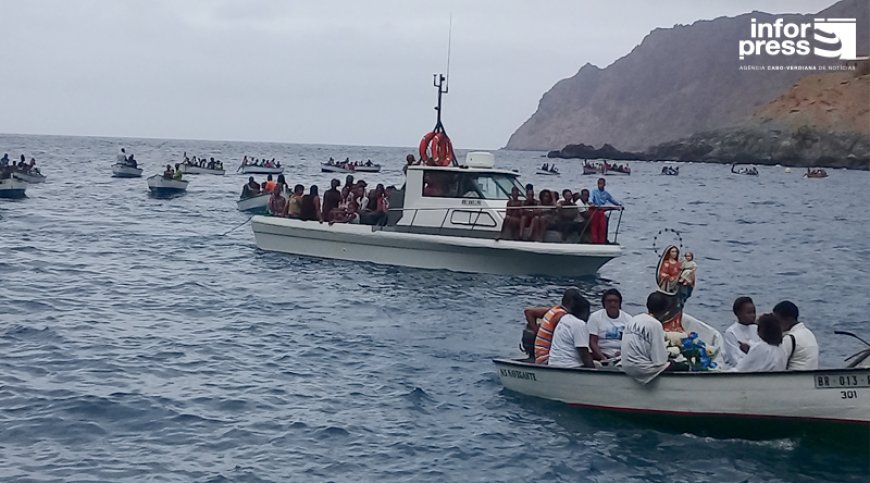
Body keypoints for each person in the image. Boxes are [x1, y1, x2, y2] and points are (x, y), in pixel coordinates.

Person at [621, 291, 686, 384]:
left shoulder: (633, 319)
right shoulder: (655, 325)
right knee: (682, 366)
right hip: (641, 369)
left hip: (626, 365)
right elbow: (659, 361)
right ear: (664, 311)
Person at [525, 288, 585, 365]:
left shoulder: (554, 310)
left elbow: (528, 312)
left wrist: (537, 332)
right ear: (572, 302)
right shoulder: (562, 317)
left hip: (540, 354)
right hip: (546, 358)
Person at [547, 292, 595, 368]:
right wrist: (594, 373)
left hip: (553, 363)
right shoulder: (579, 324)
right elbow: (584, 354)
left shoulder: (565, 318)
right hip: (570, 366)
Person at [587, 289, 633, 361]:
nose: (612, 304)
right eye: (609, 301)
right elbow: (592, 342)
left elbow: (631, 342)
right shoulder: (595, 317)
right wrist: (603, 358)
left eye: (615, 301)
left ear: (620, 303)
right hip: (600, 355)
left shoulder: (629, 319)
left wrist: (623, 353)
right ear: (604, 303)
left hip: (622, 356)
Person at [774, 301, 819, 370]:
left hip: (792, 379)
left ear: (786, 319)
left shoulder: (790, 338)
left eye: (777, 320)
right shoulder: (809, 334)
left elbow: (777, 366)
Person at [723, 296, 760, 368]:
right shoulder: (731, 332)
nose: (753, 316)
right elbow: (735, 359)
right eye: (749, 313)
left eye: (754, 312)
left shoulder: (758, 329)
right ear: (738, 314)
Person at [589, 178, 622, 244]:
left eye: (601, 184)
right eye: (599, 184)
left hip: (601, 211)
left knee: (603, 226)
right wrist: (591, 203)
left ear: (604, 184)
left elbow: (612, 200)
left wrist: (619, 205)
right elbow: (591, 199)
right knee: (594, 227)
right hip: (594, 210)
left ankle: (602, 241)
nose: (600, 185)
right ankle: (595, 241)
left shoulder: (606, 194)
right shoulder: (594, 191)